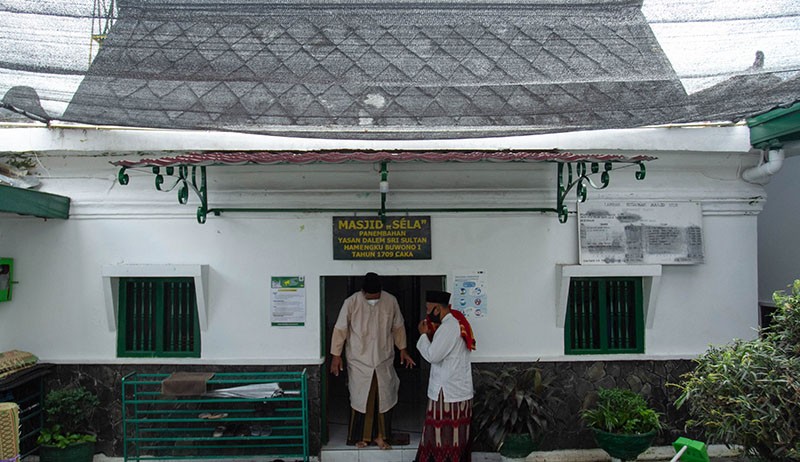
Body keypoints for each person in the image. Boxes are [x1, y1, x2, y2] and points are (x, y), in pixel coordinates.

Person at [330, 272, 416, 449]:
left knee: (384, 397)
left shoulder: (390, 301)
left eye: (377, 297)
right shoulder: (351, 302)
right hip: (358, 360)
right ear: (363, 292)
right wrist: (336, 356)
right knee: (362, 397)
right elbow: (340, 329)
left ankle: (381, 436)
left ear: (381, 291)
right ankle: (362, 437)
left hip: (383, 359)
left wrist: (403, 349)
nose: (374, 300)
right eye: (370, 297)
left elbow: (398, 327)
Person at [415, 290, 476, 462]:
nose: (427, 314)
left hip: (448, 392)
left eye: (429, 309)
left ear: (438, 309)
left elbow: (433, 355)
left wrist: (422, 336)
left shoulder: (448, 327)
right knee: (453, 436)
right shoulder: (454, 323)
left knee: (444, 436)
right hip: (454, 389)